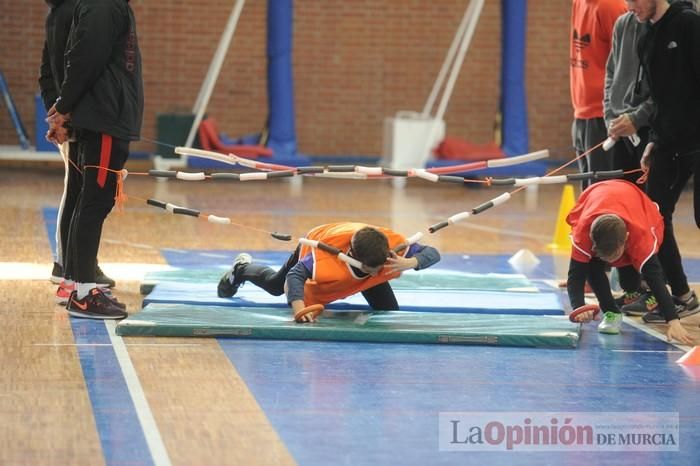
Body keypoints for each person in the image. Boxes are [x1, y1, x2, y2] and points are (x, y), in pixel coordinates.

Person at [46, 0, 144, 319]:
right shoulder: (104, 4)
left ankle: (78, 283)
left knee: (91, 201)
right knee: (94, 202)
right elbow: (83, 59)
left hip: (107, 116)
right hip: (104, 118)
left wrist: (65, 108)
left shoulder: (110, 6)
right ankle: (85, 293)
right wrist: (63, 108)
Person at [39, 0, 116, 295]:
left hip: (70, 116)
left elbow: (47, 72)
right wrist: (62, 114)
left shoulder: (58, 12)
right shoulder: (76, 11)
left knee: (76, 189)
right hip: (78, 118)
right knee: (78, 191)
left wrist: (55, 112)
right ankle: (67, 265)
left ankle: (71, 263)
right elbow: (79, 67)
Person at [631, 0, 700, 323]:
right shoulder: (646, 36)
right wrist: (653, 140)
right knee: (653, 216)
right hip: (668, 143)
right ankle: (682, 295)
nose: (629, 6)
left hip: (697, 141)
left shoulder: (689, 24)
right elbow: (658, 98)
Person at [217, 223, 441, 322]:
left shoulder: (392, 248)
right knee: (277, 286)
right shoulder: (325, 259)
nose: (378, 273)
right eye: (371, 269)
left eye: (381, 267)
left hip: (361, 240)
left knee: (389, 314)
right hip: (319, 238)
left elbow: (433, 252)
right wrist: (299, 311)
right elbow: (295, 276)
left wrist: (411, 262)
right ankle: (241, 269)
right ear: (353, 257)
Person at [566, 180, 693, 344]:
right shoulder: (584, 234)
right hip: (596, 196)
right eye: (605, 256)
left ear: (626, 239)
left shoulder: (640, 239)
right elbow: (575, 276)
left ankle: (625, 273)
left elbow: (656, 280)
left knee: (631, 285)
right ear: (592, 239)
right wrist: (578, 307)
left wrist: (673, 320)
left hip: (634, 203)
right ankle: (611, 311)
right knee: (591, 265)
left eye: (614, 256)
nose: (609, 261)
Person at [570, 0, 627, 189]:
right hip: (581, 113)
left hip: (603, 116)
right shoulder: (579, 2)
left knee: (604, 196)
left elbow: (626, 65)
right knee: (588, 196)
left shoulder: (611, 6)